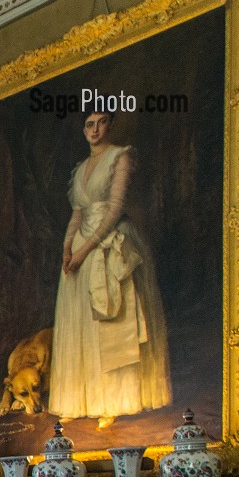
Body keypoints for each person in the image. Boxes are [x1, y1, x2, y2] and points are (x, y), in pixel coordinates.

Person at [46, 111, 171, 429]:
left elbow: (114, 209)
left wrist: (85, 251)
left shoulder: (120, 156)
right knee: (81, 323)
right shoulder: (79, 170)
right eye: (89, 124)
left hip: (109, 240)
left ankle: (113, 400)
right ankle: (80, 399)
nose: (95, 129)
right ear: (83, 129)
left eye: (101, 122)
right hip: (80, 247)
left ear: (110, 125)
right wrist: (67, 250)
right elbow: (77, 214)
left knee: (111, 320)